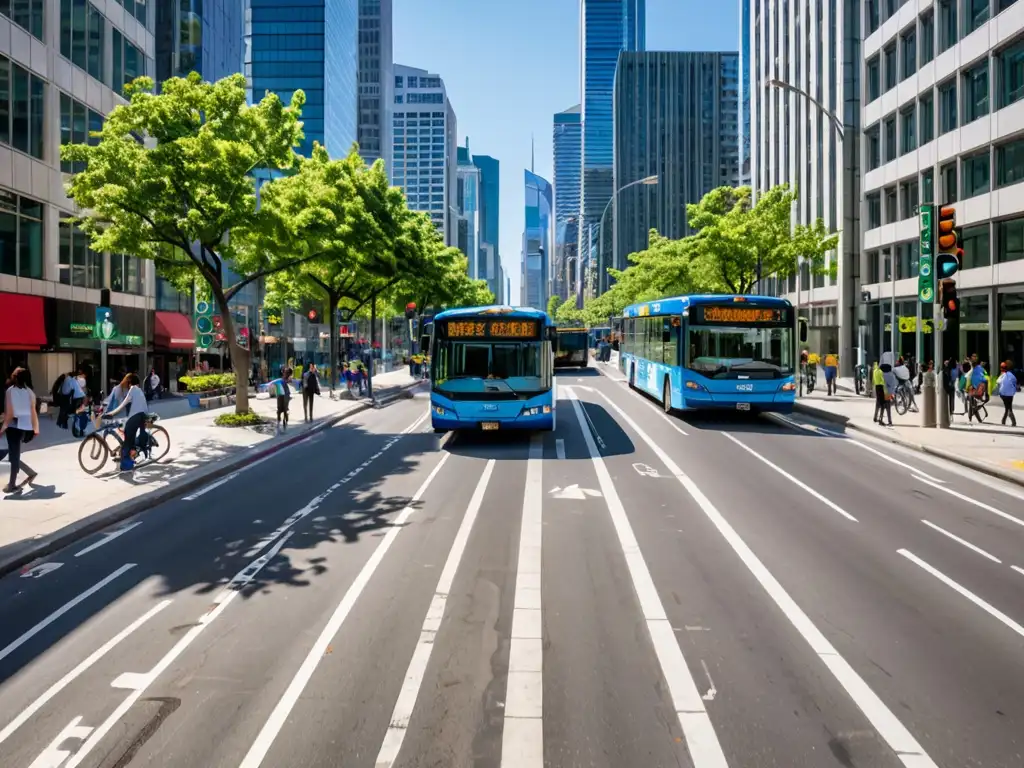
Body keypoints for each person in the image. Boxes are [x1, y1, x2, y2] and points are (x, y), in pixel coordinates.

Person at [2, 368, 40, 492]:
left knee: (13, 453)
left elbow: (11, 412)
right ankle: (27, 473)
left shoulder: (11, 391)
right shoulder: (29, 392)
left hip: (13, 426)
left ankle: (12, 483)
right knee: (14, 452)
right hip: (20, 426)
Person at [102, 373, 149, 471]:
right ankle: (133, 454)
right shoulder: (140, 390)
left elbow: (123, 404)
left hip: (135, 417)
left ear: (130, 383)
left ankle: (126, 466)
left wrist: (111, 413)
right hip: (143, 416)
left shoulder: (132, 389)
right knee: (130, 437)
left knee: (127, 441)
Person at [996, 362, 1018, 427]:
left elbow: (998, 381)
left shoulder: (1003, 375)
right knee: (1009, 407)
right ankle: (1012, 421)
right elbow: (1015, 381)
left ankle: (1004, 421)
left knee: (1007, 407)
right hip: (1010, 394)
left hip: (1003, 394)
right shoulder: (1012, 375)